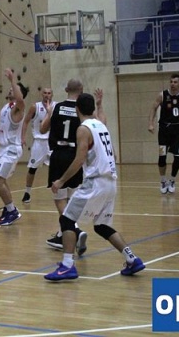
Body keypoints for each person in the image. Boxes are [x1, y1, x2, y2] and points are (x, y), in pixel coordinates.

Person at [44, 93, 145, 281]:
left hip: (96, 182)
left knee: (66, 219)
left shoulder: (83, 129)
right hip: (110, 182)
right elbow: (113, 155)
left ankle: (67, 266)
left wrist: (61, 181)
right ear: (92, 108)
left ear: (77, 109)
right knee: (101, 226)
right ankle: (132, 259)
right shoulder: (101, 126)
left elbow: (79, 159)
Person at [40, 80, 100, 255]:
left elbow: (43, 129)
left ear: (66, 89)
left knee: (59, 199)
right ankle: (62, 235)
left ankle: (75, 230)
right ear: (81, 90)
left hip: (59, 155)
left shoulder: (56, 107)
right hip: (76, 156)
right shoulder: (82, 110)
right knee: (71, 198)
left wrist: (48, 113)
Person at [0, 68, 29, 226]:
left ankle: (13, 211)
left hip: (11, 149)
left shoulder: (19, 107)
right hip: (2, 149)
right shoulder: (7, 106)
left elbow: (20, 99)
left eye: (14, 89)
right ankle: (9, 209)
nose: (10, 89)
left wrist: (12, 80)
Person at [148, 73, 179, 194]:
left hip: (177, 129)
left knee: (178, 157)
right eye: (171, 82)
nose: (172, 84)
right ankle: (163, 180)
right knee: (162, 157)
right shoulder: (162, 95)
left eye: (175, 82)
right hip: (164, 129)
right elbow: (153, 107)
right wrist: (151, 123)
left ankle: (172, 180)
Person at [21, 87, 55, 203]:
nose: (47, 95)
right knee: (32, 168)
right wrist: (22, 137)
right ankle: (27, 192)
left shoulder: (56, 106)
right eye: (45, 93)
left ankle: (60, 191)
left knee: (58, 167)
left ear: (52, 94)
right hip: (39, 142)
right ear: (41, 94)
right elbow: (26, 121)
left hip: (52, 141)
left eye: (49, 93)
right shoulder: (35, 107)